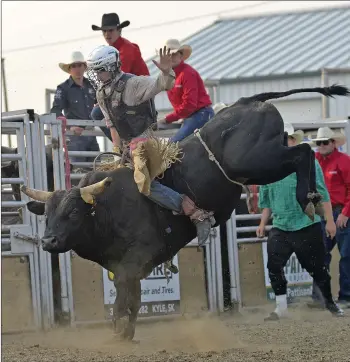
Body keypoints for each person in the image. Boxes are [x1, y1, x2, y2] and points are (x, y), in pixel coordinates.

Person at [86, 44, 215, 246]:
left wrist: (166, 72)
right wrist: (117, 154)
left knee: (141, 181)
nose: (96, 75)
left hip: (145, 141)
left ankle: (194, 212)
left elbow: (162, 84)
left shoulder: (134, 84)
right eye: (94, 71)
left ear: (110, 67)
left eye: (99, 70)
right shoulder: (102, 94)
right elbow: (113, 126)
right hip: (128, 146)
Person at [256, 123, 344, 320]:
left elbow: (323, 193)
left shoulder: (309, 162)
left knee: (319, 269)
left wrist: (329, 221)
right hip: (280, 225)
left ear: (293, 141)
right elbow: (267, 200)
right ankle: (281, 307)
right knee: (274, 265)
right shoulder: (269, 167)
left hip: (306, 224)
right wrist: (262, 223)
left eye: (286, 138)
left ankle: (330, 302)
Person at [90, 13, 150, 142]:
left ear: (119, 30)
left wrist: (103, 99)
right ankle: (124, 143)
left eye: (110, 30)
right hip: (130, 92)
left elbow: (118, 79)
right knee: (101, 111)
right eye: (104, 31)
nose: (107, 34)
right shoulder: (115, 51)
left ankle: (123, 143)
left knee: (97, 113)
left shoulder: (125, 50)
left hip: (137, 94)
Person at [309, 127, 350, 309]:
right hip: (323, 214)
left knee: (346, 256)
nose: (322, 145)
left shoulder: (345, 162)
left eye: (325, 142)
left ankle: (346, 296)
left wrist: (345, 213)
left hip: (341, 213)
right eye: (319, 143)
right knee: (319, 256)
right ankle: (319, 297)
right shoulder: (314, 162)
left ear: (333, 143)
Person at [157, 39, 214, 143]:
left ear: (180, 55)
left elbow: (189, 105)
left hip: (201, 114)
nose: (171, 57)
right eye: (168, 55)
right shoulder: (170, 76)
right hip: (192, 116)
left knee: (173, 146)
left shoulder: (187, 73)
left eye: (174, 54)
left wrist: (167, 119)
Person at [51, 51, 99, 164]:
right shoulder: (63, 88)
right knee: (78, 170)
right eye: (73, 66)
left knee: (96, 169)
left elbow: (101, 104)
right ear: (69, 69)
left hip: (91, 134)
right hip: (74, 137)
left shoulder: (92, 85)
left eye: (79, 65)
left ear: (84, 67)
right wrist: (70, 126)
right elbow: (55, 110)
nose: (77, 69)